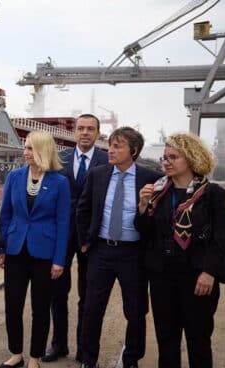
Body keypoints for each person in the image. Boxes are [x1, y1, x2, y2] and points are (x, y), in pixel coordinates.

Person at [135, 133, 225, 368]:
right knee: (166, 339)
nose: (166, 162)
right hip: (162, 277)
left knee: (198, 340)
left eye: (173, 157)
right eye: (164, 157)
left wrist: (209, 272)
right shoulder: (157, 192)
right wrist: (143, 206)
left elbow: (221, 238)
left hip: (197, 278)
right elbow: (144, 233)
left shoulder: (212, 194)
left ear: (191, 159)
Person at [76, 127, 161, 368]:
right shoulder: (98, 174)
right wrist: (84, 243)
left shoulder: (150, 179)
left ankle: (131, 359)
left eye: (117, 146)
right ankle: (88, 360)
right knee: (92, 308)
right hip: (100, 251)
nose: (110, 150)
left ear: (133, 151)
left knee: (135, 311)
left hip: (133, 254)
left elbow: (154, 221)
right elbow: (82, 209)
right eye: (110, 145)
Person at [0, 131, 70, 368]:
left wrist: (59, 260)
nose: (24, 152)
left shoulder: (60, 182)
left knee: (40, 307)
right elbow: (5, 215)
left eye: (29, 148)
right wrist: (1, 248)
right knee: (13, 305)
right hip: (16, 250)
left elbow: (63, 223)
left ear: (42, 150)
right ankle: (16, 353)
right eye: (25, 147)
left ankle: (35, 357)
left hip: (44, 254)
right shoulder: (15, 176)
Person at [44, 114, 108, 363]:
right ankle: (59, 345)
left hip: (92, 237)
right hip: (62, 234)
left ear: (98, 133)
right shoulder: (60, 159)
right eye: (80, 128)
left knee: (88, 294)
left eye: (90, 129)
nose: (84, 133)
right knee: (57, 292)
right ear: (74, 133)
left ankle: (84, 348)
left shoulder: (106, 161)